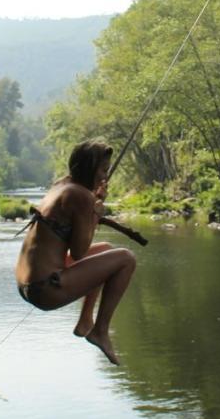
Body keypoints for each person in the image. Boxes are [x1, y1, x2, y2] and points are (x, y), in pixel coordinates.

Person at [15, 140, 137, 365]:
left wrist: (93, 203)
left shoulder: (61, 185)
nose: (105, 176)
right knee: (126, 259)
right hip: (45, 289)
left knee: (107, 252)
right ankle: (100, 331)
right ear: (89, 169)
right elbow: (79, 252)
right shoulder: (81, 196)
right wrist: (94, 214)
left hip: (28, 286)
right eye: (102, 170)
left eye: (107, 171)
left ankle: (85, 321)